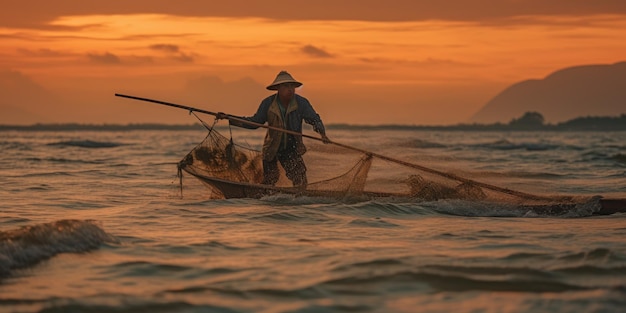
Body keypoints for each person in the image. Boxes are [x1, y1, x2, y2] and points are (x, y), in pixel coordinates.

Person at [217, 71, 330, 188]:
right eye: (286, 86)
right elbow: (255, 122)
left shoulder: (301, 103)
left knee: (300, 179)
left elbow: (314, 119)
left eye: (292, 86)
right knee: (270, 180)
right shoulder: (268, 103)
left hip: (292, 147)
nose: (290, 89)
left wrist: (322, 134)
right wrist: (230, 118)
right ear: (278, 88)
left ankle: (297, 201)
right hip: (271, 148)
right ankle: (267, 201)